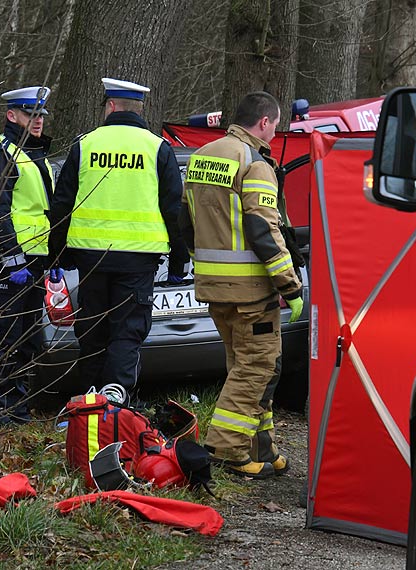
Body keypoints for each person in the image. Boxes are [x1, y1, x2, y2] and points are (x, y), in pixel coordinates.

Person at [179, 92, 304, 479]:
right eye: (275, 124)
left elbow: (185, 220)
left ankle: (260, 446)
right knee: (257, 368)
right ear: (264, 123)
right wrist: (290, 285)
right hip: (251, 291)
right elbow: (263, 228)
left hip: (214, 286)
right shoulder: (254, 163)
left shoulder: (203, 155)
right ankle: (226, 449)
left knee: (247, 366)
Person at [49, 77, 189, 404]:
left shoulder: (84, 145)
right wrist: (180, 258)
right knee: (127, 332)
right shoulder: (157, 148)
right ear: (140, 109)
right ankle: (118, 400)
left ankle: (88, 401)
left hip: (90, 258)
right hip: (138, 260)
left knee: (92, 332)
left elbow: (61, 205)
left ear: (111, 106)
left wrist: (57, 255)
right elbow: (173, 210)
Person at [0, 85, 55, 426]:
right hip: (6, 262)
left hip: (34, 259)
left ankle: (17, 409)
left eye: (40, 115)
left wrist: (51, 259)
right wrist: (12, 257)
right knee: (1, 337)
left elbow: (45, 212)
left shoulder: (37, 156)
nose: (37, 121)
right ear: (12, 115)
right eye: (30, 114)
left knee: (26, 337)